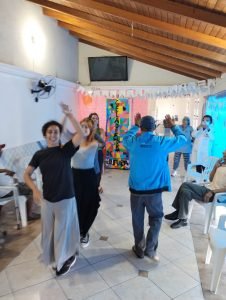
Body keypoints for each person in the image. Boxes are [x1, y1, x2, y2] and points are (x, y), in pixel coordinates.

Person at [24, 104, 84, 276]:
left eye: (56, 132)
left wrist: (70, 114)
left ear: (59, 135)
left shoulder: (65, 150)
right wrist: (35, 190)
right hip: (48, 199)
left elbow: (81, 134)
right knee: (49, 232)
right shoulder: (39, 154)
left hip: (65, 197)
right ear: (45, 135)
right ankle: (59, 256)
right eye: (49, 132)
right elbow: (26, 174)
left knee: (62, 232)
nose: (52, 134)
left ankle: (64, 260)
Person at [123, 114, 186, 261]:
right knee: (156, 218)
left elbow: (125, 138)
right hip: (154, 192)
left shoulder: (134, 141)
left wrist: (135, 126)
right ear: (154, 127)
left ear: (142, 127)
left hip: (136, 191)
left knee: (137, 219)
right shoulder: (161, 142)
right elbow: (183, 139)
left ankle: (139, 249)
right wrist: (173, 126)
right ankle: (150, 250)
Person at [165, 150, 226, 229]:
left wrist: (212, 192)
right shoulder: (221, 166)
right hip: (208, 189)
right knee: (185, 192)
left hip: (214, 194)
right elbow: (211, 179)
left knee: (185, 184)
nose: (223, 157)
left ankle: (178, 213)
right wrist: (215, 167)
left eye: (225, 155)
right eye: (223, 155)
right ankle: (182, 219)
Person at [71, 117, 101, 248]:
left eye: (86, 127)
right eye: (81, 126)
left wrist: (93, 128)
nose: (83, 129)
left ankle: (84, 231)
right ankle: (77, 230)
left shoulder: (93, 143)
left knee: (89, 205)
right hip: (74, 176)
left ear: (90, 130)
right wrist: (68, 115)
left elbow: (102, 142)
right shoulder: (72, 142)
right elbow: (62, 130)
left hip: (88, 176)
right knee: (74, 205)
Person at [0, 144, 39, 220]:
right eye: (0, 149)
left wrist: (11, 174)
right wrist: (5, 170)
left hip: (9, 187)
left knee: (25, 184)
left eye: (1, 149)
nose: (1, 151)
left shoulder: (2, 160)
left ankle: (27, 213)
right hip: (7, 190)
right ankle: (28, 215)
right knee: (31, 189)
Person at [88, 113, 105, 193]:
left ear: (98, 120)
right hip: (89, 152)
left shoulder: (101, 130)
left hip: (98, 152)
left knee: (98, 171)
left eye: (96, 118)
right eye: (93, 118)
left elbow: (101, 143)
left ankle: (97, 186)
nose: (94, 119)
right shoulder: (87, 130)